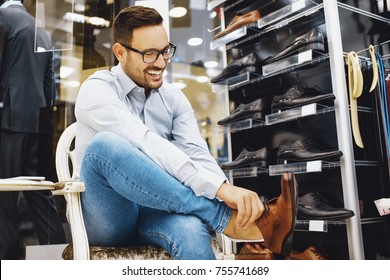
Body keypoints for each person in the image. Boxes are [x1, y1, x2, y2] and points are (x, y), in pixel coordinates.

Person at [74, 5, 298, 260]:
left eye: (165, 51)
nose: (161, 63)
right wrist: (222, 195)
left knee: (191, 230)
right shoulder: (96, 90)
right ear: (120, 52)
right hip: (109, 217)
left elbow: (197, 154)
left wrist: (229, 195)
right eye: (149, 54)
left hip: (157, 208)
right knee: (105, 146)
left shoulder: (173, 98)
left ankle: (246, 227)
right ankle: (225, 219)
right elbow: (142, 141)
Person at [0, 0, 66, 259]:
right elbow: (49, 83)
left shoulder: (3, 18)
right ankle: (60, 255)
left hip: (8, 117)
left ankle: (7, 261)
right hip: (37, 120)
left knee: (4, 194)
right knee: (39, 192)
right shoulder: (43, 31)